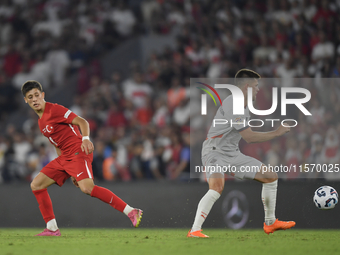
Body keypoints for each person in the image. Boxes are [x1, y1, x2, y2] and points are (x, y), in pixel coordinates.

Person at [21, 80, 142, 236]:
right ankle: (51, 228)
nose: (34, 99)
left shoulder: (54, 109)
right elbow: (57, 145)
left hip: (79, 150)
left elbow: (82, 121)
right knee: (36, 185)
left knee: (87, 188)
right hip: (65, 157)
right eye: (30, 97)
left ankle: (131, 211)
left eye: (37, 95)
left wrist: (85, 138)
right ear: (26, 100)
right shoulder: (40, 121)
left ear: (43, 95)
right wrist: (69, 171)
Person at [187, 69, 295, 238]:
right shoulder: (234, 104)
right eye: (256, 86)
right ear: (247, 87)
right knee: (216, 188)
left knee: (270, 176)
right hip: (214, 151)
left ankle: (270, 222)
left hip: (232, 153)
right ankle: (194, 230)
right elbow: (249, 137)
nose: (258, 89)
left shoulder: (244, 107)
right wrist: (277, 133)